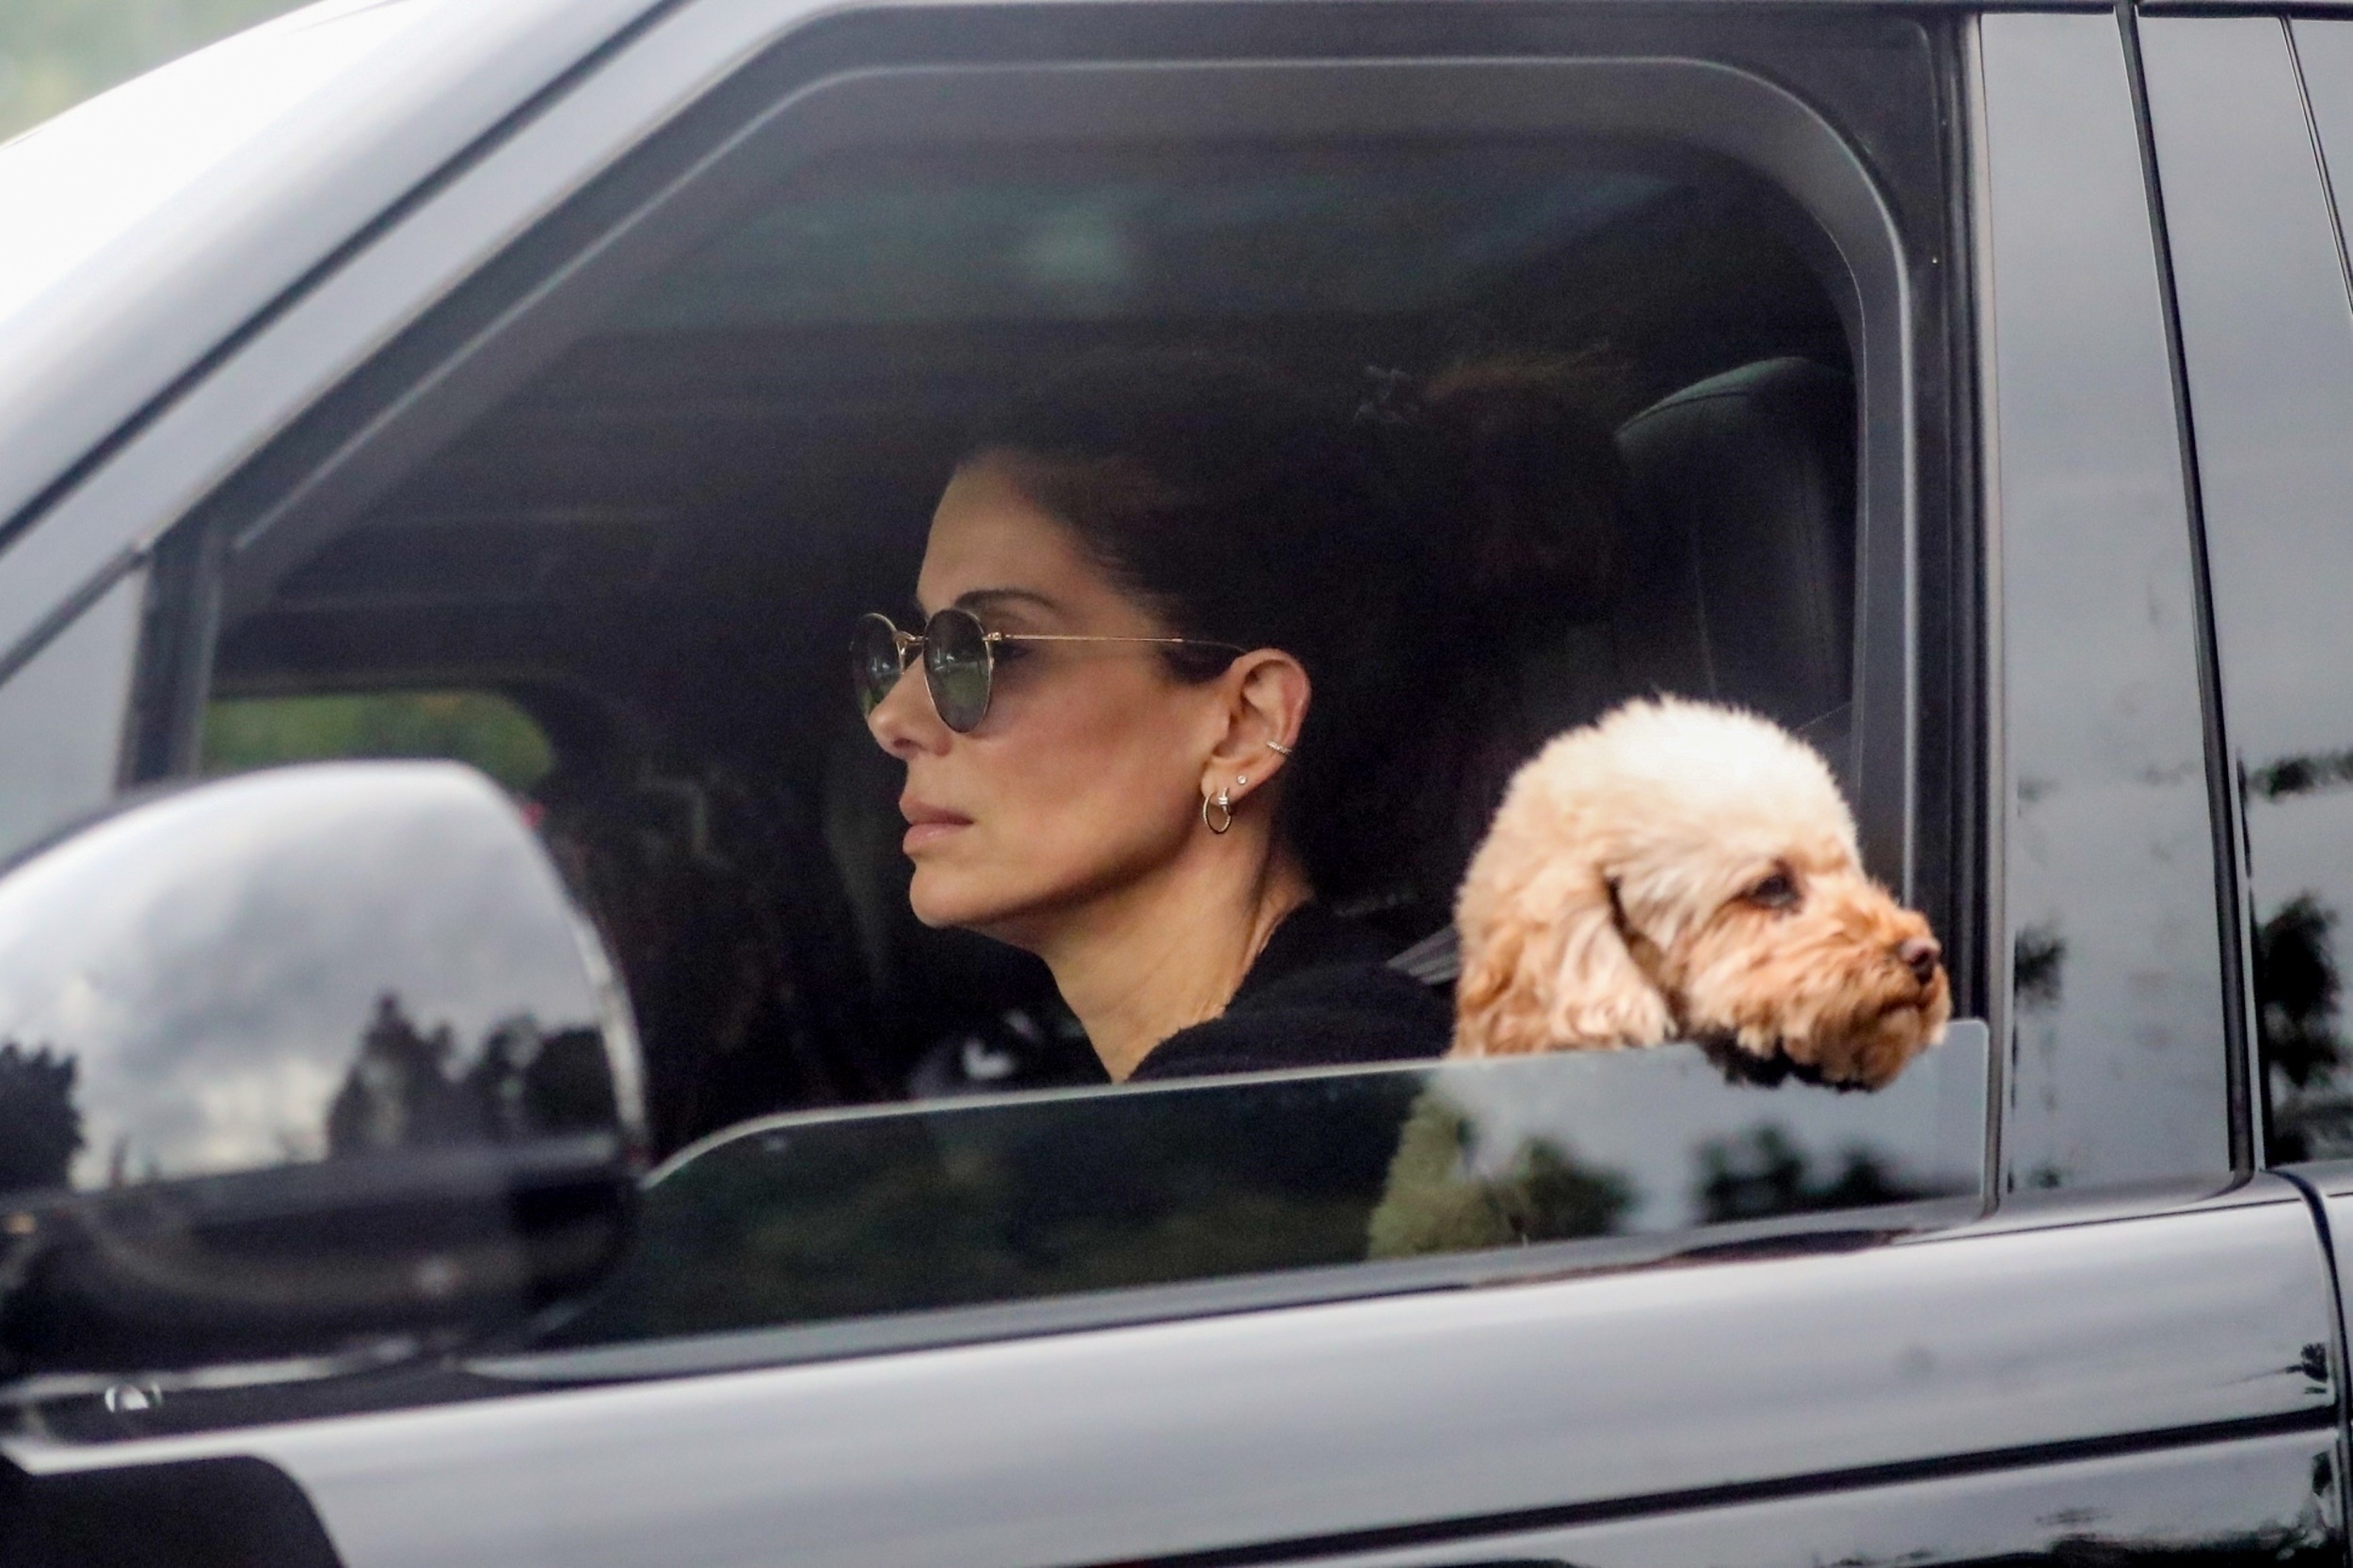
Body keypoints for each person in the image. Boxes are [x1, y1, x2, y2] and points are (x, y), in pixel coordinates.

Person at [855, 352, 1626, 1082]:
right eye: (909, 651)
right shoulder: (1299, 1073)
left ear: (1243, 726)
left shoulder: (1308, 1093)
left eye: (987, 651)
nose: (895, 715)